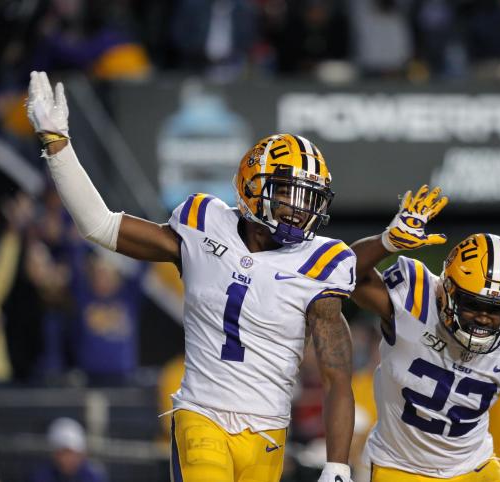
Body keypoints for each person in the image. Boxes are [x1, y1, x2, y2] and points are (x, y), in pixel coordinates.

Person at [26, 71, 356, 482]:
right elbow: (100, 225)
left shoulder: (323, 263)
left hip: (268, 431)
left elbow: (337, 378)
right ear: (253, 186)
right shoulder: (203, 224)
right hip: (202, 416)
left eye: (309, 198)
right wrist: (57, 144)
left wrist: (338, 464)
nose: (299, 209)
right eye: (288, 193)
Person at [349, 185, 500, 481]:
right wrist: (385, 243)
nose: (484, 317)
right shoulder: (414, 300)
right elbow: (345, 274)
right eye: (473, 304)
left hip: (475, 468)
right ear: (446, 291)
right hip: (400, 468)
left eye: (496, 309)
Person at [27, 417, 107, 482]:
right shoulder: (40, 477)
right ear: (55, 454)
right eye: (64, 453)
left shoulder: (93, 477)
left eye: (74, 453)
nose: (70, 459)